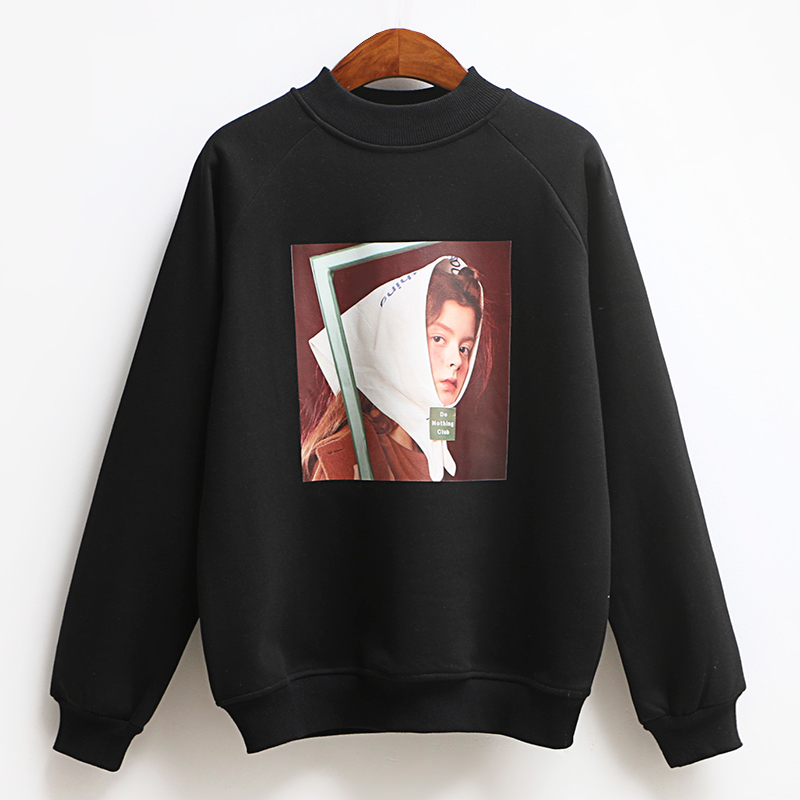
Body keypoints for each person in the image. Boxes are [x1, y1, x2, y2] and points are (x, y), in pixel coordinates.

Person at [301, 255, 492, 481]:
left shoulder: (438, 456)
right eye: (439, 338)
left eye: (464, 348)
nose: (457, 361)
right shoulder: (349, 457)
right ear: (400, 344)